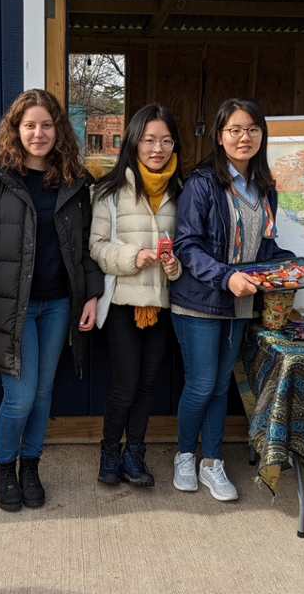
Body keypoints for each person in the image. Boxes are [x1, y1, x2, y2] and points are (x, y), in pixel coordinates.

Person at [0, 89, 104, 512]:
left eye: (46, 124)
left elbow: (88, 244)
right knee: (19, 397)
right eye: (29, 125)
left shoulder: (76, 180)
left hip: (59, 304)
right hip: (9, 306)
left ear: (59, 130)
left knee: (42, 395)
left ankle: (31, 466)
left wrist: (91, 295)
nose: (38, 133)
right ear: (15, 130)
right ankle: (5, 467)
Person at [169, 97, 295, 501]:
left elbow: (266, 247)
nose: (245, 137)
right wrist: (227, 278)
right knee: (201, 384)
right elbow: (187, 246)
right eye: (235, 130)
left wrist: (297, 267)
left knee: (221, 385)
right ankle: (185, 455)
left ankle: (213, 463)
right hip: (200, 302)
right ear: (220, 137)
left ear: (262, 134)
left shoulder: (265, 188)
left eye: (253, 129)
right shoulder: (202, 183)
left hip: (240, 304)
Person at [89, 104, 183, 487]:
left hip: (161, 303)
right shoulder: (109, 190)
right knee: (126, 384)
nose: (157, 148)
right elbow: (95, 246)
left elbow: (189, 247)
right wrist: (133, 256)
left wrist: (176, 266)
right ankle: (110, 451)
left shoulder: (182, 190)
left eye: (165, 140)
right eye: (148, 139)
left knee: (147, 385)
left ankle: (135, 454)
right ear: (133, 141)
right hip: (124, 304)